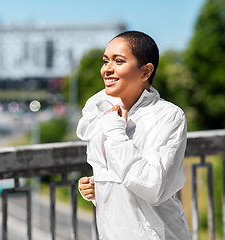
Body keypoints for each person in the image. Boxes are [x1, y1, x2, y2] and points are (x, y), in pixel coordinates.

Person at [76, 30, 192, 240]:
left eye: (118, 61)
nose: (107, 70)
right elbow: (120, 174)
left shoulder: (169, 116)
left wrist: (115, 131)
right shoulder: (103, 111)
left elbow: (154, 187)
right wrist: (96, 186)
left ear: (146, 71)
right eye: (105, 61)